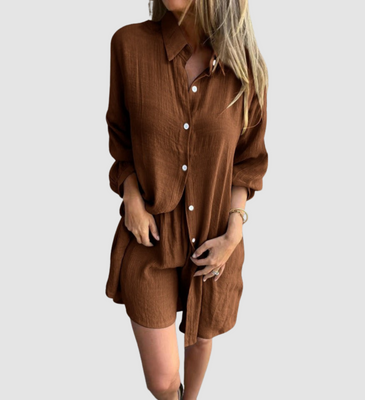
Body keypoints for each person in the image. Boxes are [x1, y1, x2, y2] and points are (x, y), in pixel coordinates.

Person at [105, 0, 269, 399]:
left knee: (198, 349)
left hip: (213, 243)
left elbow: (247, 161)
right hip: (150, 238)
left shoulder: (245, 67)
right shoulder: (128, 45)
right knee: (163, 382)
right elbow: (120, 138)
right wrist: (131, 198)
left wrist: (233, 231)